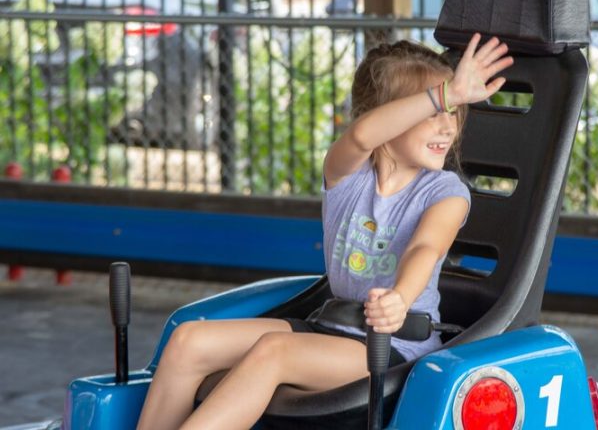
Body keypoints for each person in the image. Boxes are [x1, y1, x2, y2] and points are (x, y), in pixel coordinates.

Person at [136, 33, 513, 430]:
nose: (447, 127)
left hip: (391, 347)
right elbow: (362, 136)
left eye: (453, 113)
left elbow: (425, 247)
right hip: (328, 326)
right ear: (390, 114)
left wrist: (401, 297)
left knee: (274, 351)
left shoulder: (445, 191)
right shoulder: (346, 175)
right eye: (434, 112)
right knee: (188, 340)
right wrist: (445, 94)